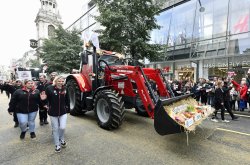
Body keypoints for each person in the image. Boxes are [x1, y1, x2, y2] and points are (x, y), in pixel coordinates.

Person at [41, 76, 69, 153]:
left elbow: (67, 99)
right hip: (53, 112)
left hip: (63, 112)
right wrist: (44, 102)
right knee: (55, 129)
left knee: (62, 127)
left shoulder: (65, 88)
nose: (61, 82)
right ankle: (57, 144)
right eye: (59, 81)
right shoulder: (49, 88)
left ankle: (62, 139)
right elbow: (44, 98)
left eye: (62, 81)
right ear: (55, 81)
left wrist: (67, 108)